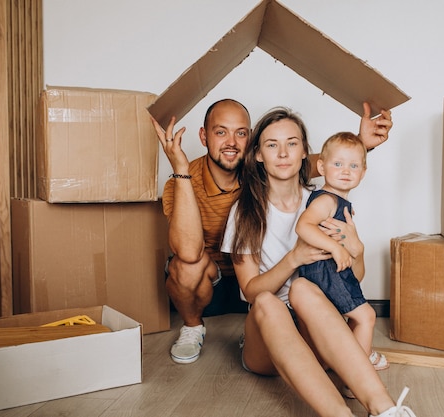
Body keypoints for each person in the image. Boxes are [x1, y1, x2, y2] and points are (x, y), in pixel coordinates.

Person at [151, 99, 393, 365]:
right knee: (189, 267)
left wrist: (360, 143)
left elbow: (315, 163)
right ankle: (195, 327)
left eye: (241, 133)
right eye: (221, 132)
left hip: (284, 291)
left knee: (306, 297)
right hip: (226, 282)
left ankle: (334, 354)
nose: (231, 142)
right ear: (204, 136)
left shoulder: (314, 198)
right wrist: (181, 171)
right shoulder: (217, 193)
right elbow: (191, 253)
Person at [221, 107, 415, 417]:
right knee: (270, 302)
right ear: (258, 154)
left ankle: (385, 409)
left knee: (302, 289)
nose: (283, 153)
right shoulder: (245, 212)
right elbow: (250, 292)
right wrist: (294, 258)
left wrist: (358, 249)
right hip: (266, 338)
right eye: (272, 145)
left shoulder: (323, 199)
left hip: (315, 330)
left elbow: (353, 280)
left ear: (304, 153)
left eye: (292, 143)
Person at [295, 131, 389, 382]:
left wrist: (348, 248)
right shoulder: (326, 200)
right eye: (338, 164)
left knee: (351, 319)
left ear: (363, 172)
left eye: (354, 165)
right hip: (323, 270)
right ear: (322, 167)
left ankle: (354, 359)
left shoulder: (338, 201)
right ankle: (357, 376)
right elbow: (303, 227)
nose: (346, 170)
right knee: (366, 316)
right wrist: (335, 248)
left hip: (329, 270)